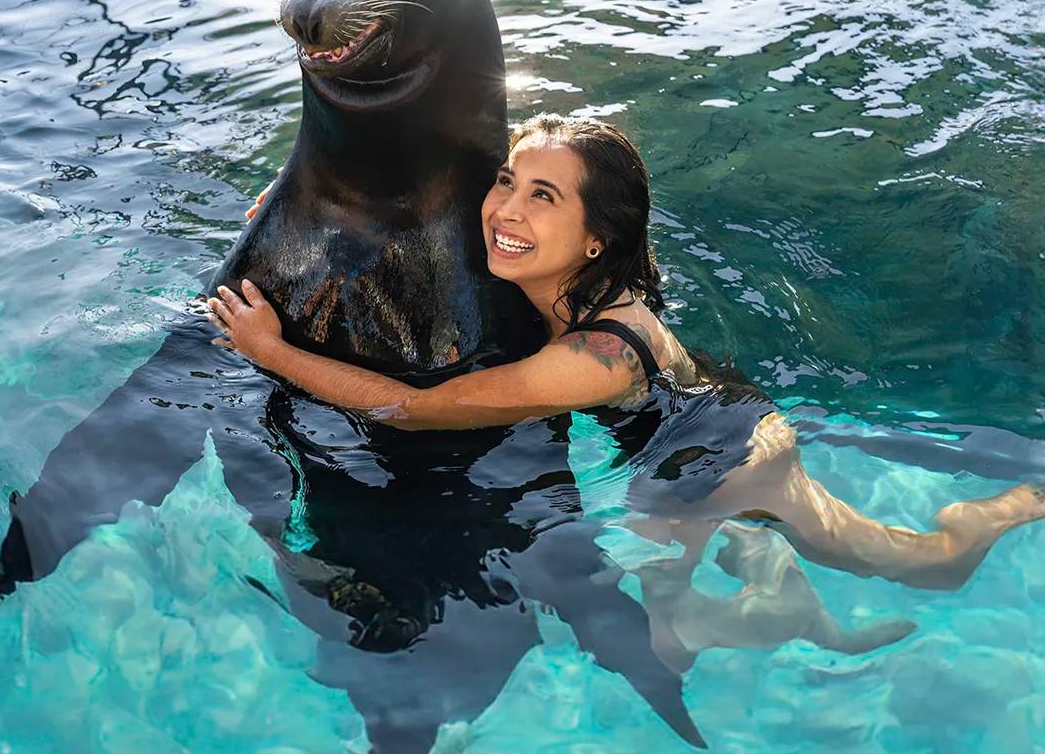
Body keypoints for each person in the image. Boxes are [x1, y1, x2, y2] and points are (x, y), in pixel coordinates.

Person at [209, 114, 1044, 618]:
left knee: (903, 564)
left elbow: (415, 410)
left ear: (596, 236)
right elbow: (418, 211)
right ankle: (786, 574)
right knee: (723, 578)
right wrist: (305, 218)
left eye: (545, 197)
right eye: (509, 182)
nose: (506, 208)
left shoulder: (595, 357)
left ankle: (978, 527)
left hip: (722, 459)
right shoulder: (532, 258)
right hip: (699, 433)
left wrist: (270, 352)